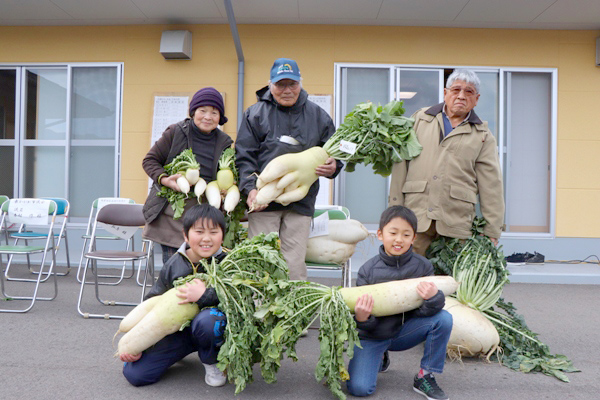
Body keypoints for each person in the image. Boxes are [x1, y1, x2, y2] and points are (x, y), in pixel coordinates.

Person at [235, 58, 342, 280]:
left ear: (300, 84)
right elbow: (244, 156)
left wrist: (335, 165)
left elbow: (336, 151)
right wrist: (249, 189)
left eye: (292, 84)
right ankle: (259, 311)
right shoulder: (255, 114)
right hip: (264, 201)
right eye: (280, 84)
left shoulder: (318, 115)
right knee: (261, 260)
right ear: (270, 85)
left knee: (294, 262)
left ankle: (292, 312)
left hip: (301, 202)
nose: (287, 90)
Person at [389, 69, 504, 256]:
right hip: (416, 215)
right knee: (412, 275)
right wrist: (394, 213)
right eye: (456, 90)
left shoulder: (482, 135)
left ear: (477, 99)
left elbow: (491, 185)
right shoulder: (420, 119)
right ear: (445, 93)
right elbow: (400, 165)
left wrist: (492, 229)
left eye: (469, 92)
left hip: (456, 221)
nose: (461, 96)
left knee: (450, 280)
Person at [346, 205, 452, 400]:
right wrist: (362, 318)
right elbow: (361, 321)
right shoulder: (367, 271)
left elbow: (426, 312)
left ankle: (425, 376)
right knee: (359, 389)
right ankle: (379, 356)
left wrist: (434, 297)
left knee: (443, 319)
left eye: (405, 235)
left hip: (404, 332)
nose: (398, 240)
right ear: (380, 234)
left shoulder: (423, 266)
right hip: (374, 335)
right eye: (393, 233)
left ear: (413, 238)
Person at [121, 204, 228, 387]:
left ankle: (212, 360)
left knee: (208, 320)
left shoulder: (229, 263)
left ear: (222, 235)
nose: (206, 239)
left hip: (211, 330)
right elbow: (154, 300)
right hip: (177, 331)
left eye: (213, 232)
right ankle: (177, 351)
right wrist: (137, 344)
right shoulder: (174, 264)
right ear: (186, 235)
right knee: (135, 375)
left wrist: (204, 296)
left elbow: (238, 300)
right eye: (199, 232)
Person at [142, 87, 233, 265]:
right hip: (172, 213)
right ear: (193, 112)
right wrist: (164, 179)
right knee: (177, 269)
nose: (208, 116)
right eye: (202, 111)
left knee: (204, 271)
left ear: (220, 118)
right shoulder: (176, 132)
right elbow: (150, 160)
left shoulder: (225, 142)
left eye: (214, 112)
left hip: (205, 213)